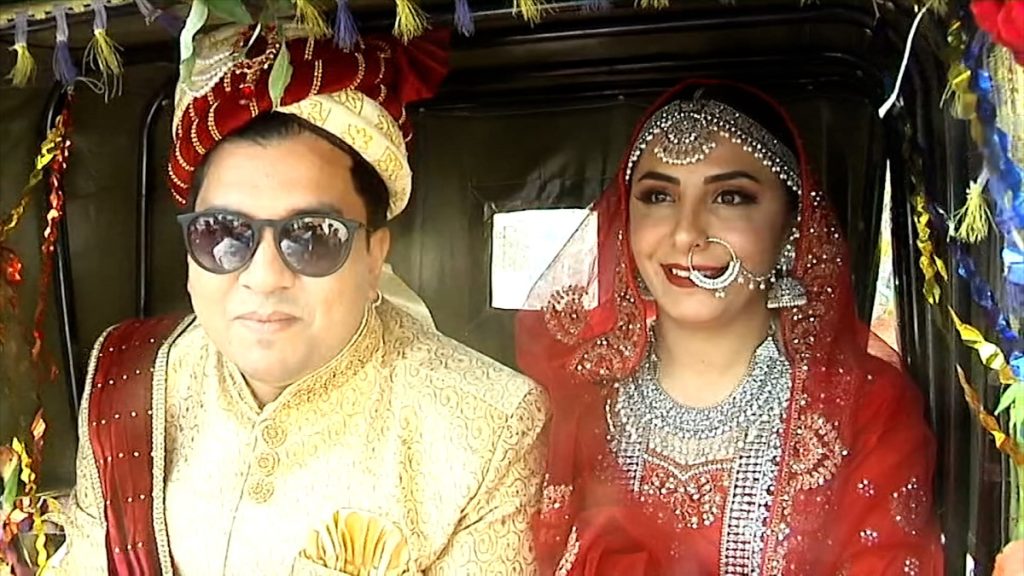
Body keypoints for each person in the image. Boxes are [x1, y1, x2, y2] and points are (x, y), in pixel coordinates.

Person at [54, 23, 548, 575]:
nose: (264, 277)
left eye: (312, 236)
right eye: (223, 233)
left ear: (374, 256)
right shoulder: (128, 374)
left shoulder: (486, 427)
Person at [516, 79, 944, 574]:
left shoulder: (864, 407)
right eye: (658, 195)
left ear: (791, 226)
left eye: (731, 197)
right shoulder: (574, 394)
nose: (686, 233)